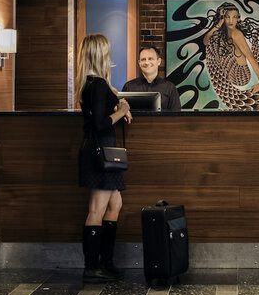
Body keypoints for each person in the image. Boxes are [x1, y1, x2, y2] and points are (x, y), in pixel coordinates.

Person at [76, 34, 132, 282]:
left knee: (114, 204)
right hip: (101, 151)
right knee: (97, 209)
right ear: (100, 54)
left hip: (98, 150)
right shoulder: (98, 85)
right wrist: (122, 110)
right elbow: (100, 124)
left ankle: (106, 262)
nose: (110, 56)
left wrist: (118, 107)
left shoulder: (91, 84)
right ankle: (92, 267)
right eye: (107, 52)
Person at [203, 2, 259, 95]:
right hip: (229, 72)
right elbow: (206, 41)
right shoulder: (224, 33)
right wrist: (219, 24)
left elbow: (250, 57)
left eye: (234, 17)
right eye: (227, 17)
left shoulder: (236, 34)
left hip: (240, 76)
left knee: (215, 45)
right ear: (223, 18)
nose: (231, 21)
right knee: (214, 43)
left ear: (238, 18)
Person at [122, 46, 181, 111]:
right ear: (139, 63)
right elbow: (121, 112)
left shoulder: (170, 88)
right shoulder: (129, 87)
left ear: (159, 61)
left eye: (150, 59)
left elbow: (176, 114)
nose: (147, 62)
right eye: (143, 59)